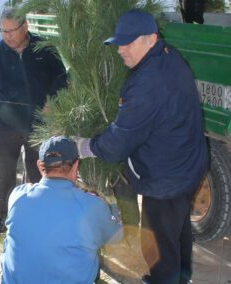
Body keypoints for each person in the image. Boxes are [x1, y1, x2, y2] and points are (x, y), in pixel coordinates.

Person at [72, 9, 208, 284]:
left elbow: (119, 142)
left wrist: (84, 147)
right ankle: (181, 278)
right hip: (187, 167)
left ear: (151, 39)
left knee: (157, 244)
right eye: (119, 43)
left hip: (166, 178)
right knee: (177, 232)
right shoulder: (167, 55)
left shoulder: (148, 82)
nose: (121, 50)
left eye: (129, 42)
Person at [0, 8, 67, 235]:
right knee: (3, 170)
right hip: (3, 126)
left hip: (38, 122)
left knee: (37, 169)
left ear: (25, 27)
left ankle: (35, 211)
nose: (6, 35)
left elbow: (61, 78)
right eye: (3, 31)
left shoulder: (43, 49)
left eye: (11, 30)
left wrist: (53, 100)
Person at [1, 136, 123, 283]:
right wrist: (111, 206)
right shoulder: (90, 205)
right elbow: (116, 237)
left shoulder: (17, 195)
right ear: (76, 165)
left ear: (40, 166)